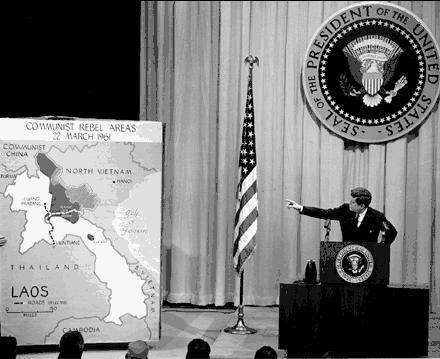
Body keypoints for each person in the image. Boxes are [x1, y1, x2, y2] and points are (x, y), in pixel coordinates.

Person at [286, 187, 397, 243]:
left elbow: (391, 232)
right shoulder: (345, 210)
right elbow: (324, 213)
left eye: (353, 203)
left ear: (362, 205)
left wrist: (381, 248)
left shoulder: (377, 217)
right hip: (345, 255)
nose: (350, 204)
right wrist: (300, 208)